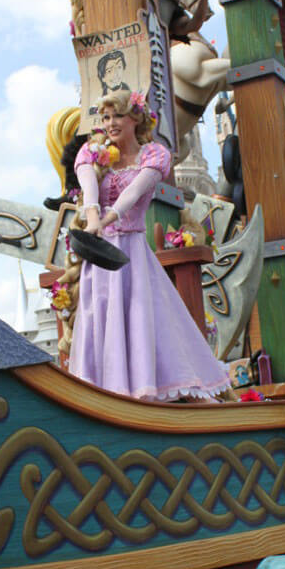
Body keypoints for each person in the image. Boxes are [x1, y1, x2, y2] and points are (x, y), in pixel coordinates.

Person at [69, 90, 231, 401]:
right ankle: (105, 396)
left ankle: (145, 394)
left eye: (117, 115)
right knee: (99, 316)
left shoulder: (154, 155)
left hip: (131, 254)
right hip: (101, 257)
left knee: (142, 318)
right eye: (105, 118)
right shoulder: (91, 152)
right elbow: (89, 189)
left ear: (135, 118)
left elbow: (134, 192)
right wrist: (93, 218)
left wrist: (107, 218)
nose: (111, 123)